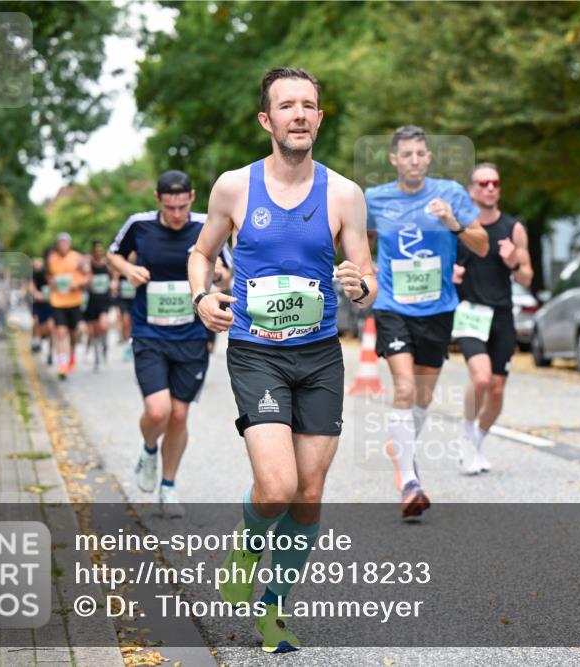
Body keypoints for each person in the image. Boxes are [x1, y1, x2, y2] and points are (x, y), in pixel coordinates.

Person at [189, 67, 375, 654]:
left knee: (309, 493)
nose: (299, 114)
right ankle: (247, 546)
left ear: (321, 117)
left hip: (320, 357)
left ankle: (273, 609)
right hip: (256, 354)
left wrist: (358, 286)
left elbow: (367, 278)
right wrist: (201, 298)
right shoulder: (233, 187)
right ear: (267, 120)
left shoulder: (344, 193)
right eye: (287, 105)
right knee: (277, 487)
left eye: (309, 105)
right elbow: (202, 252)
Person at [365, 125, 488, 518]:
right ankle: (409, 481)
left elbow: (481, 244)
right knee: (404, 387)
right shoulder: (375, 199)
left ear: (428, 158)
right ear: (394, 159)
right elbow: (354, 237)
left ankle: (400, 448)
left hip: (437, 309)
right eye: (407, 154)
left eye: (421, 153)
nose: (414, 160)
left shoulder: (449, 193)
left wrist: (453, 222)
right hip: (392, 306)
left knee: (422, 396)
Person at [108, 170, 233, 518]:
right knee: (158, 410)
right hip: (149, 331)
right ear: (157, 200)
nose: (177, 215)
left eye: (182, 206)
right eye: (169, 207)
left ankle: (168, 486)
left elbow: (224, 269)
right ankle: (149, 450)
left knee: (179, 415)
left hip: (192, 334)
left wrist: (220, 275)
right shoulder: (140, 225)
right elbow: (112, 254)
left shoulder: (206, 225)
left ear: (192, 197)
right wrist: (127, 270)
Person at [452, 163, 534, 474]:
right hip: (470, 313)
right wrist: (452, 276)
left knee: (497, 389)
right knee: (482, 379)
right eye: (483, 183)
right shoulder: (461, 229)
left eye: (494, 183)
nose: (489, 188)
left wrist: (514, 262)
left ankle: (476, 440)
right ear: (472, 189)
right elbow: (442, 268)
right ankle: (465, 431)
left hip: (501, 315)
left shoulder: (514, 229)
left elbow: (527, 278)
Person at [46, 233, 89, 378]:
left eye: (65, 243)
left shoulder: (77, 257)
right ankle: (62, 363)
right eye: (60, 243)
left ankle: (72, 354)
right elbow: (49, 277)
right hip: (58, 301)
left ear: (69, 244)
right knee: (60, 332)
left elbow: (87, 276)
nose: (63, 245)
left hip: (74, 301)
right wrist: (52, 283)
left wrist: (78, 284)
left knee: (74, 333)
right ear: (57, 245)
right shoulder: (52, 259)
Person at [84, 240, 114, 370]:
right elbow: (84, 278)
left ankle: (105, 344)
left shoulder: (107, 264)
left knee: (103, 325)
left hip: (104, 300)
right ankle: (96, 355)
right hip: (92, 301)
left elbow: (115, 277)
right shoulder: (89, 264)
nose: (98, 252)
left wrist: (114, 284)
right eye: (96, 250)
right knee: (93, 331)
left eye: (100, 250)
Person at [29, 255, 54, 359]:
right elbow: (31, 285)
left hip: (51, 304)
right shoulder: (38, 274)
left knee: (51, 327)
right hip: (39, 304)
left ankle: (50, 352)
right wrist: (36, 294)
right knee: (36, 320)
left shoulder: (56, 273)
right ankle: (36, 340)